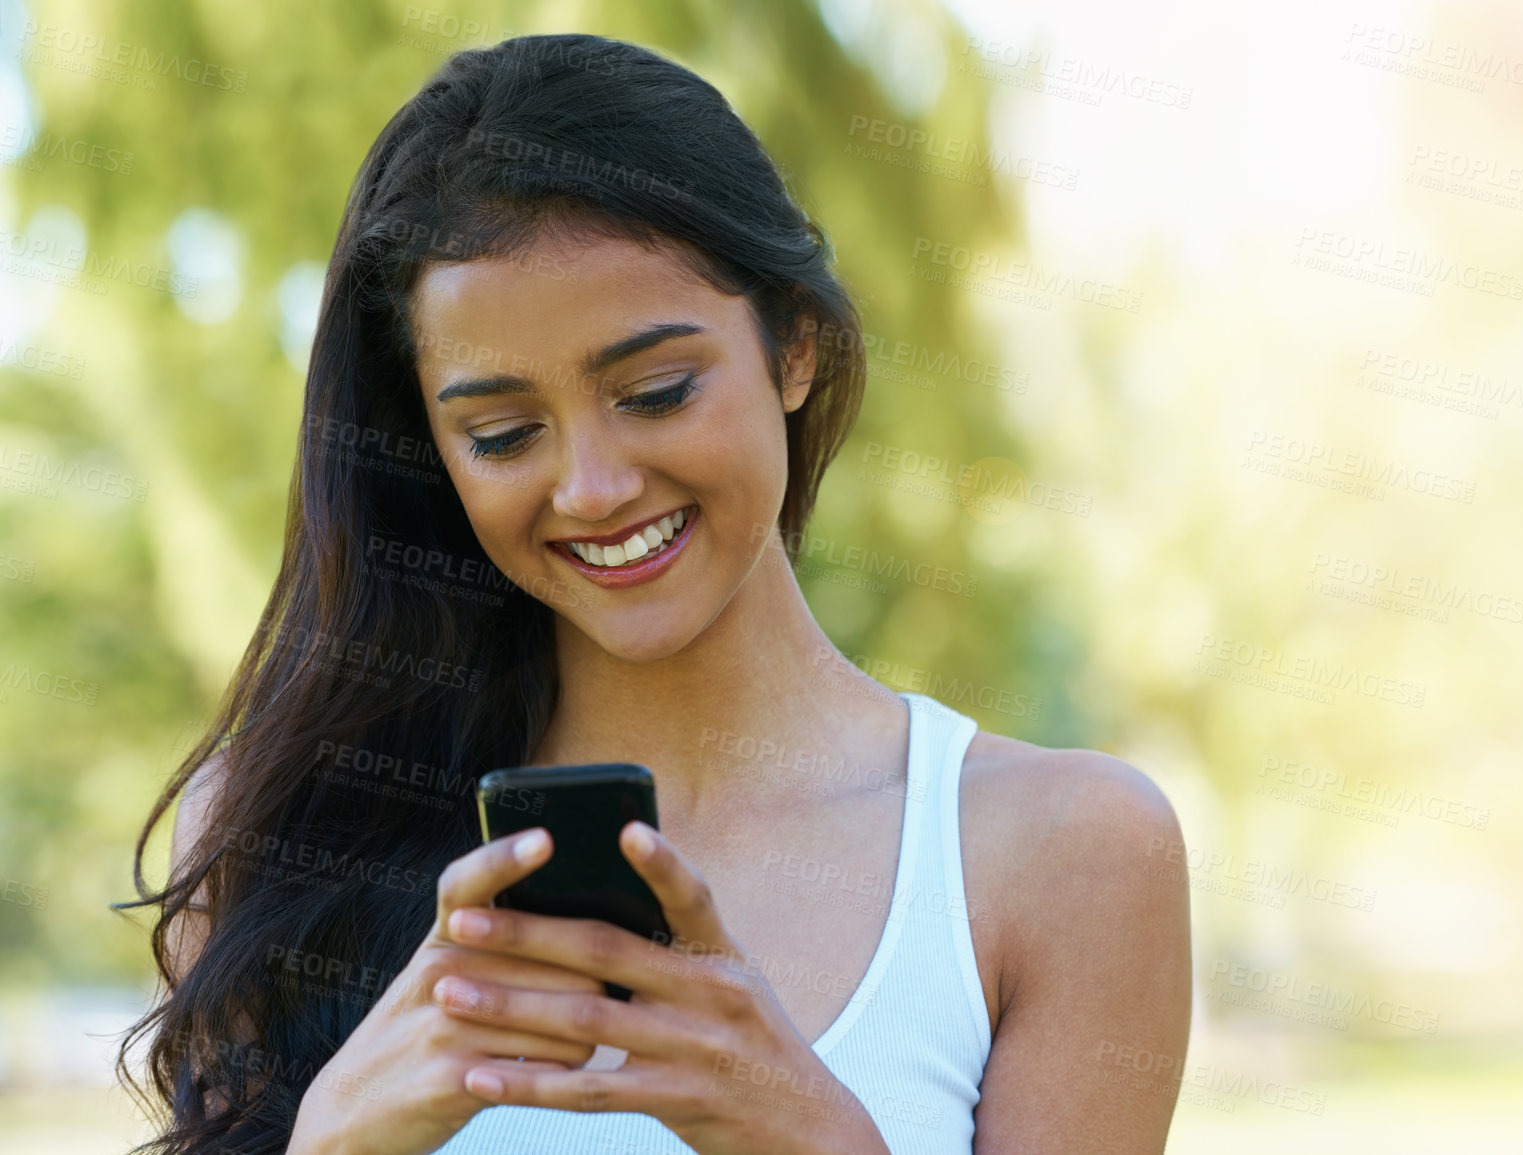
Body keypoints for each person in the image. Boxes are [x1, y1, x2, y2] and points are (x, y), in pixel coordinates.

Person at [116, 33, 1191, 1155]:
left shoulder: (1066, 851)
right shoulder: (272, 830)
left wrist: (817, 1136)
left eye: (657, 391)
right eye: (503, 433)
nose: (593, 488)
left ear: (794, 350)